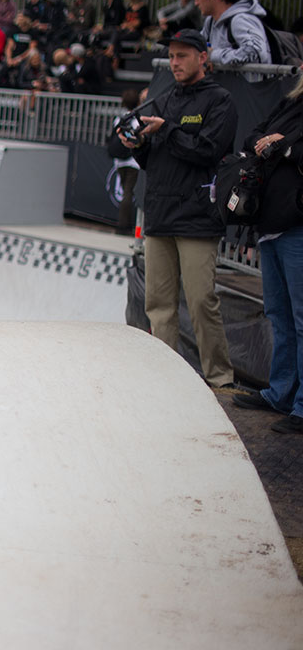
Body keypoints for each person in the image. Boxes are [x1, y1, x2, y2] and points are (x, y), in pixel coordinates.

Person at [119, 29, 236, 389]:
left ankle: (220, 379)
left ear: (203, 57)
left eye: (182, 55)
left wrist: (167, 130)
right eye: (171, 56)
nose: (174, 63)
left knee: (201, 301)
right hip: (160, 212)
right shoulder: (164, 96)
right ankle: (165, 377)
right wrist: (137, 144)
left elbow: (208, 151)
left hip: (198, 215)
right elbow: (154, 160)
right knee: (159, 304)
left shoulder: (220, 100)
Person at [231, 75, 303, 431]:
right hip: (270, 221)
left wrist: (285, 145)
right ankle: (281, 393)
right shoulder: (290, 102)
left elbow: (288, 147)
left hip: (297, 225)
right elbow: (253, 133)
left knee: (301, 318)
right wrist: (264, 142)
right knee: (280, 313)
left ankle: (301, 407)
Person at [193, 0, 271, 67]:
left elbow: (255, 52)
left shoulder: (241, 20)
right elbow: (197, 48)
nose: (195, 3)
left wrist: (212, 55)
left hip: (248, 83)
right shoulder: (211, 21)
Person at [106, 88, 144, 236]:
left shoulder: (119, 119)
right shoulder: (136, 121)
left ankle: (123, 223)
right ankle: (123, 225)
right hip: (132, 162)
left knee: (126, 192)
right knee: (128, 193)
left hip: (120, 162)